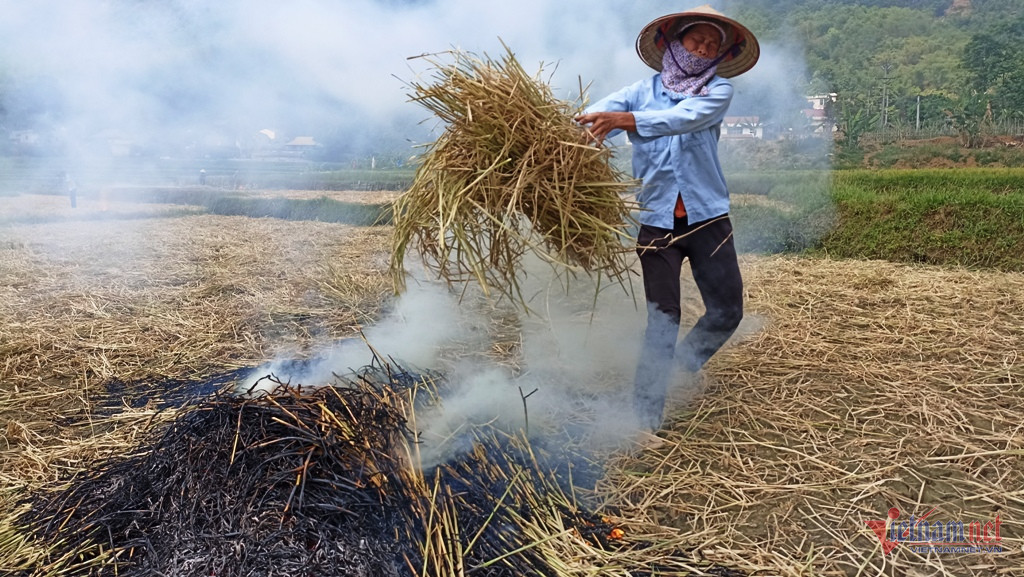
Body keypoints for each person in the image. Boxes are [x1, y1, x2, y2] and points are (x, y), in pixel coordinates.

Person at [575, 5, 760, 442]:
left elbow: (684, 119)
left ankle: (678, 369)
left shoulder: (718, 91)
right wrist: (577, 129)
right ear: (675, 43)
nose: (704, 49)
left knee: (727, 312)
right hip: (657, 224)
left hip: (707, 220)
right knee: (663, 319)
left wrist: (628, 122)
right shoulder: (638, 92)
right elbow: (592, 117)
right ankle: (644, 420)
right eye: (697, 40)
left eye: (712, 45)